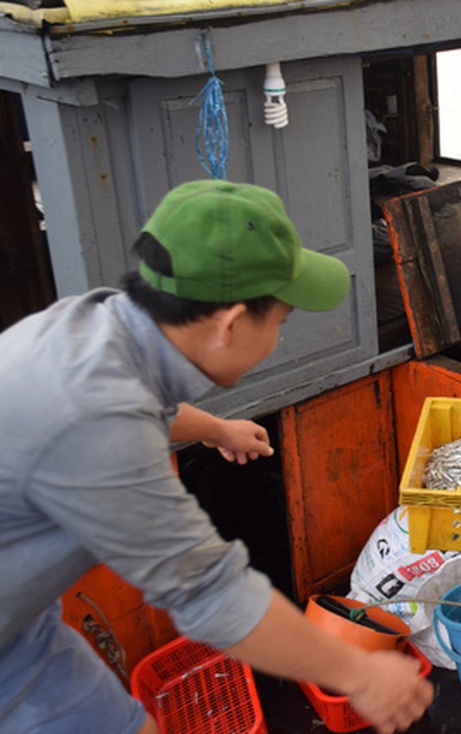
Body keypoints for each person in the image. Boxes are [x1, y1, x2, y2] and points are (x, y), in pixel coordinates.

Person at [0, 180, 433, 734]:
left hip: (23, 626)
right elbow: (211, 595)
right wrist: (362, 673)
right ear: (230, 325)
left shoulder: (102, 324)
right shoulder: (95, 418)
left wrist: (213, 428)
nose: (277, 339)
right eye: (279, 322)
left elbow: (136, 402)